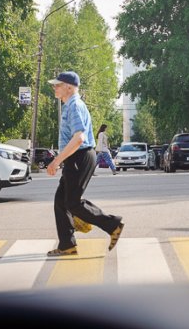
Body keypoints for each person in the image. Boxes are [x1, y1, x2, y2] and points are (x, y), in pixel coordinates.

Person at [45, 71, 124, 257]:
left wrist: (57, 161)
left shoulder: (74, 105)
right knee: (61, 202)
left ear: (69, 87)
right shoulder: (70, 105)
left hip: (80, 157)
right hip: (77, 156)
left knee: (72, 202)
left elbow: (79, 138)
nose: (54, 87)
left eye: (58, 84)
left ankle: (113, 225)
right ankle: (67, 245)